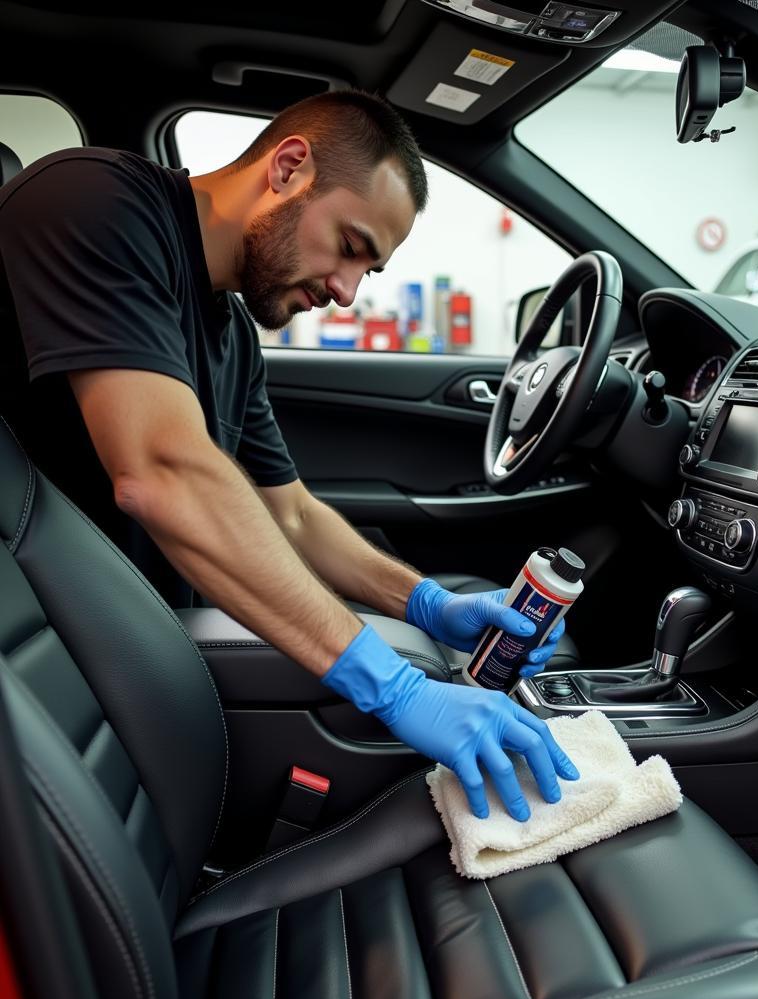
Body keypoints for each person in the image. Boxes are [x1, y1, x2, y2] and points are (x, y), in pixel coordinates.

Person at [0, 88, 578, 821]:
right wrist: (394, 688)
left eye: (367, 272)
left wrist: (428, 604)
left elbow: (296, 518)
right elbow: (162, 472)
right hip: (73, 660)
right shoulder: (92, 202)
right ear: (289, 168)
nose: (345, 291)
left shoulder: (233, 336)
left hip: (142, 644)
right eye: (351, 247)